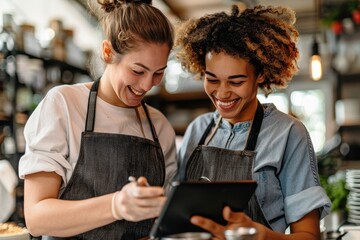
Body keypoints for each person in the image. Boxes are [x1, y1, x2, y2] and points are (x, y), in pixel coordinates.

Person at [18, 0, 176, 239]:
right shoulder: (64, 105)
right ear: (107, 52)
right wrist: (116, 205)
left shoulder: (159, 126)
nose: (147, 86)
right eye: (137, 70)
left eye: (158, 73)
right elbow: (37, 218)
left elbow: (163, 220)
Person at [175, 4, 331, 240]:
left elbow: (309, 236)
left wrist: (261, 237)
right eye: (212, 79)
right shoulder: (198, 130)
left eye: (236, 82)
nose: (222, 93)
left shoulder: (288, 133)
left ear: (260, 75)